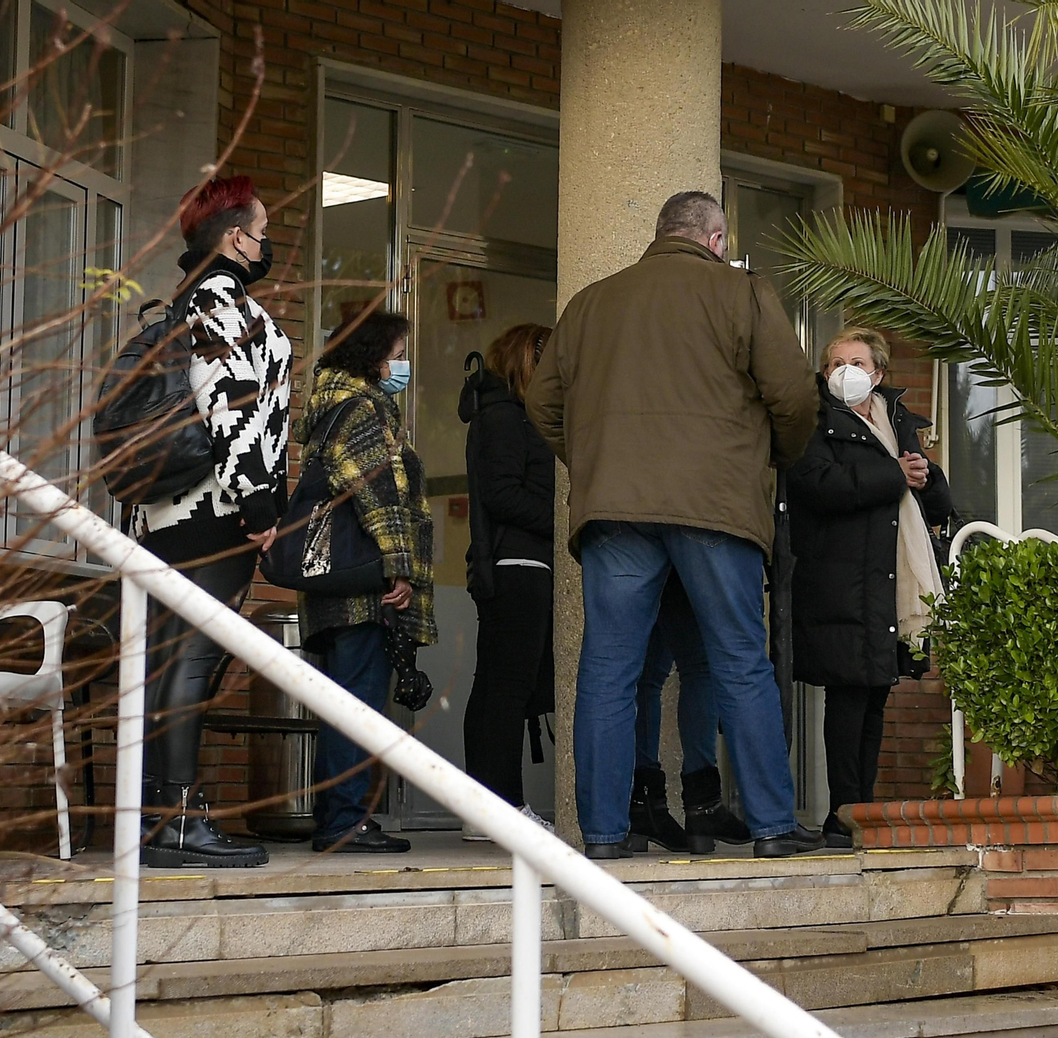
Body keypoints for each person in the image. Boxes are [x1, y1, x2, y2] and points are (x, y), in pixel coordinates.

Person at [526, 190, 821, 860]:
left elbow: (543, 401)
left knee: (608, 667)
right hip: (715, 503)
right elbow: (796, 396)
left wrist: (599, 463)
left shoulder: (591, 303)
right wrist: (769, 457)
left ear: (660, 234)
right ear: (715, 239)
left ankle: (602, 834)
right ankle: (773, 826)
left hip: (615, 509)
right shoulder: (741, 293)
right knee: (740, 661)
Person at [131, 176, 292, 868]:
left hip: (171, 514)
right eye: (262, 229)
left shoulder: (185, 303)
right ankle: (177, 820)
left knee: (169, 661)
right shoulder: (221, 304)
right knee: (191, 660)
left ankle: (160, 816)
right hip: (213, 511)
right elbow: (230, 406)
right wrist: (261, 508)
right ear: (235, 237)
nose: (266, 243)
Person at [788, 328, 951, 849]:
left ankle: (864, 810)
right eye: (835, 363)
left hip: (888, 581)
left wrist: (928, 478)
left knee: (875, 696)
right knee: (847, 698)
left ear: (878, 372)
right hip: (841, 581)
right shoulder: (813, 420)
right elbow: (815, 486)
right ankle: (843, 813)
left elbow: (930, 499)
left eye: (855, 361)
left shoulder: (895, 418)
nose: (844, 371)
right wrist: (895, 477)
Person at [297, 310, 435, 854]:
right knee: (358, 703)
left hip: (338, 584)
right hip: (361, 588)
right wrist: (397, 567)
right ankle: (345, 821)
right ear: (374, 357)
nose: (402, 364)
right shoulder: (359, 410)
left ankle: (340, 816)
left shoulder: (332, 407)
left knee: (342, 703)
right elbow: (377, 495)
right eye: (398, 353)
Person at [459, 323, 558, 839]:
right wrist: (558, 519)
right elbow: (501, 494)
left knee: (500, 688)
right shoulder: (502, 418)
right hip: (516, 567)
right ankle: (499, 805)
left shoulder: (506, 416)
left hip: (516, 566)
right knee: (506, 691)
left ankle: (489, 808)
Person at [630, 577, 750, 854]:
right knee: (699, 667)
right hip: (682, 552)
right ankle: (703, 806)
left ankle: (644, 809)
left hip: (638, 552)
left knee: (646, 678)